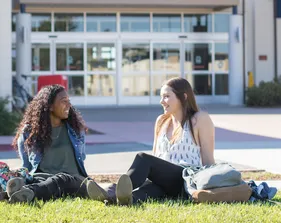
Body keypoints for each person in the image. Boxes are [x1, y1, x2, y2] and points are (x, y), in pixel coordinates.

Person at [89, 77, 215, 205]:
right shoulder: (162, 121)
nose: (161, 101)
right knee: (147, 191)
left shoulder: (199, 119)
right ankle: (118, 200)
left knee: (143, 158)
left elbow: (208, 160)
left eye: (166, 96)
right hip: (164, 182)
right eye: (161, 97)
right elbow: (156, 156)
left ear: (184, 96)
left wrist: (214, 187)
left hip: (185, 180)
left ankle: (113, 191)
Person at [9, 84, 105, 203]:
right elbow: (27, 166)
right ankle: (14, 193)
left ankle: (27, 193)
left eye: (68, 101)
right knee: (36, 180)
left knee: (62, 179)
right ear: (49, 106)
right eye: (63, 101)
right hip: (42, 180)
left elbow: (81, 158)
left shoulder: (75, 131)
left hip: (74, 181)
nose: (69, 105)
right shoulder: (29, 133)